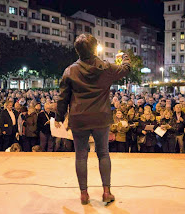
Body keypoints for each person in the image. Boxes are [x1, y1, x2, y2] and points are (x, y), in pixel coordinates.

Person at [55, 34, 131, 205]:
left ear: (77, 50)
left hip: (79, 119)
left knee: (81, 156)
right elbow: (126, 69)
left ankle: (84, 194)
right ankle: (106, 192)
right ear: (95, 48)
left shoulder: (70, 71)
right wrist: (123, 57)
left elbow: (63, 97)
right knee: (103, 153)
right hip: (101, 117)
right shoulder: (105, 68)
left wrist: (59, 117)